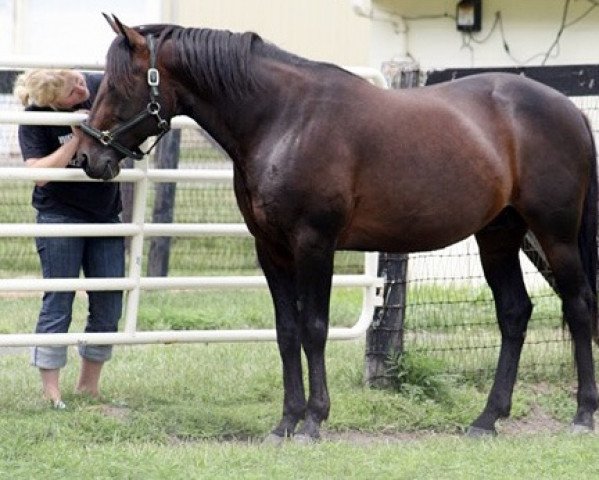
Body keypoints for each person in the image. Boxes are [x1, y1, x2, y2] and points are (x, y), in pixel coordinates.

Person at [13, 69, 124, 409]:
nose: (82, 90)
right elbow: (40, 175)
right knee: (59, 297)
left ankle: (89, 386)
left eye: (78, 81)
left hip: (105, 214)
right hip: (60, 214)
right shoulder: (35, 119)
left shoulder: (97, 84)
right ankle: (51, 392)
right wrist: (77, 138)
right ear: (55, 105)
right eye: (73, 94)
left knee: (108, 300)